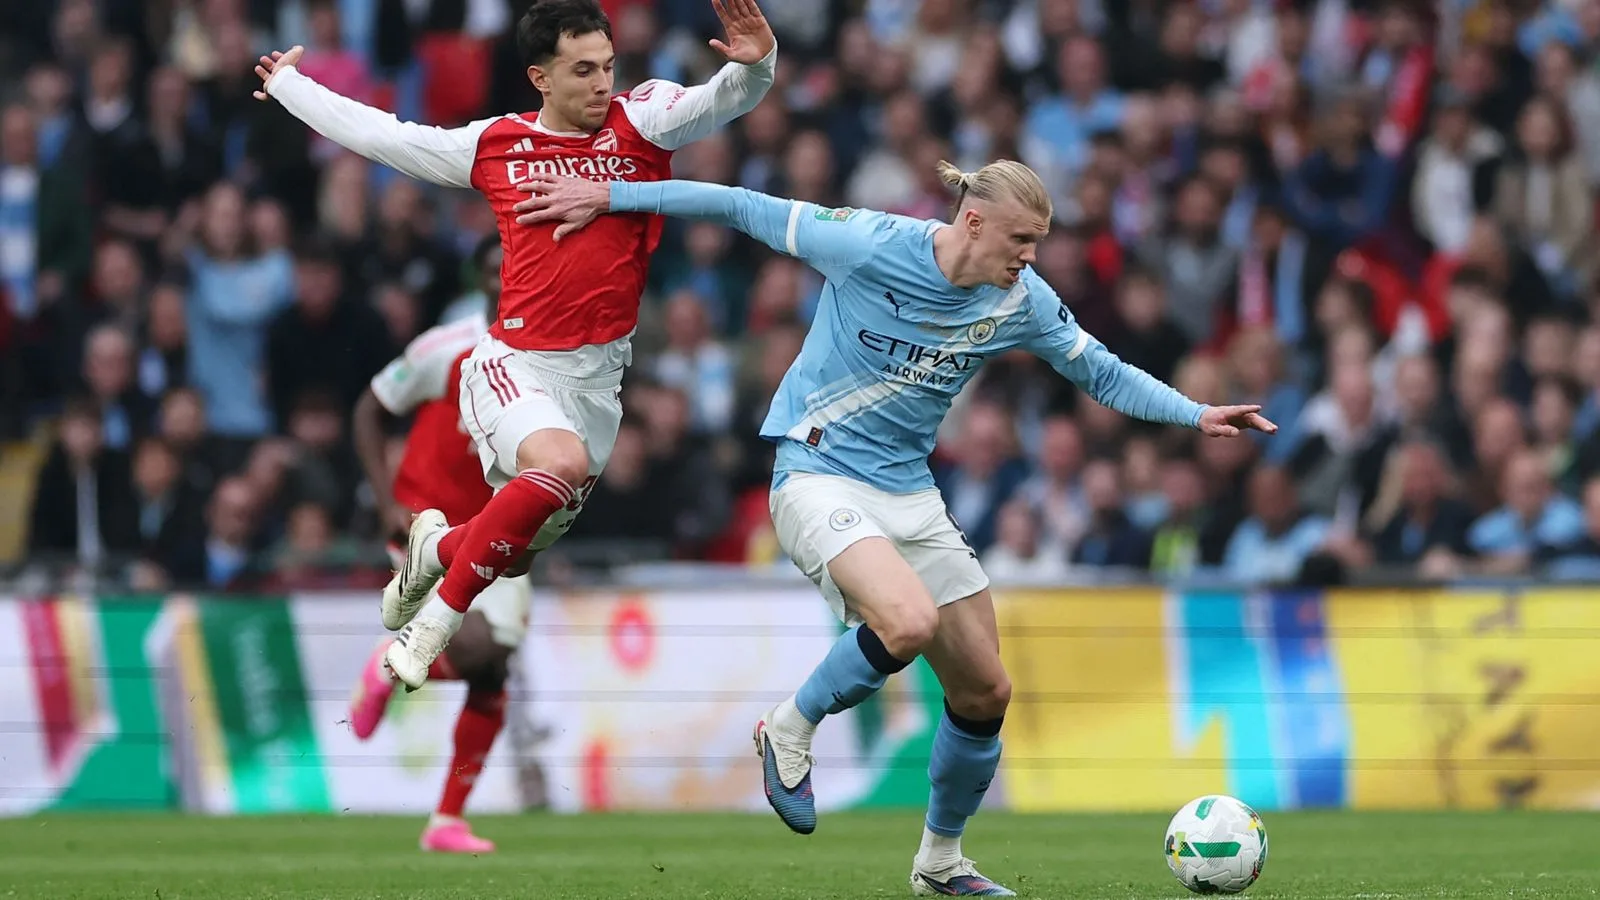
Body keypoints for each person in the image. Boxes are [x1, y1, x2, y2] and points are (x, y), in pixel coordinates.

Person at [511, 160, 1275, 897]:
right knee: (904, 622)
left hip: (911, 495)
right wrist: (611, 194)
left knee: (984, 690)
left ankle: (940, 864)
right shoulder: (871, 243)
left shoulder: (1024, 300)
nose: (1032, 256)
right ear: (973, 222)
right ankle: (788, 727)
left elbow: (1100, 371)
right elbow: (739, 205)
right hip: (816, 471)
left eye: (1037, 242)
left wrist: (1195, 412)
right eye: (1021, 240)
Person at [253, 0, 777, 688]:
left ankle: (434, 548)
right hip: (515, 366)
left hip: (599, 384)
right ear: (540, 77)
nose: (601, 84)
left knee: (517, 553)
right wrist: (292, 86)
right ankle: (433, 623)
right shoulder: (496, 144)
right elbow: (386, 136)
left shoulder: (643, 121)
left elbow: (725, 96)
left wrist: (758, 61)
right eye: (583, 70)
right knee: (553, 464)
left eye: (608, 68)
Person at [347, 236, 525, 854]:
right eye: (492, 272)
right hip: (428, 526)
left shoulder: (555, 352)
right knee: (474, 643)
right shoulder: (446, 347)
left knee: (494, 665)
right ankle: (386, 665)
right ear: (479, 281)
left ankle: (446, 820)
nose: (505, 281)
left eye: (514, 269)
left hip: (505, 527)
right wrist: (382, 499)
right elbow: (369, 407)